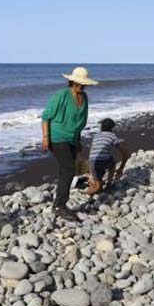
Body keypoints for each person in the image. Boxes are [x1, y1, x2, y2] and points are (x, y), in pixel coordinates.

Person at [41, 67, 98, 221]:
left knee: (67, 169)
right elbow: (46, 116)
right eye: (78, 84)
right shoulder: (61, 95)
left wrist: (78, 140)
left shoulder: (84, 97)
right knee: (68, 169)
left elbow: (79, 121)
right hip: (57, 137)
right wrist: (46, 137)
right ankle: (59, 206)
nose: (81, 86)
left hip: (73, 138)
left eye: (83, 84)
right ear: (71, 82)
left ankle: (62, 196)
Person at [86, 118, 131, 195]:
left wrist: (91, 172)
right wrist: (121, 168)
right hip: (103, 161)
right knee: (112, 163)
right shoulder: (112, 136)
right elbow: (124, 153)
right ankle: (109, 184)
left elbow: (91, 153)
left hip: (92, 162)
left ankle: (94, 187)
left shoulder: (96, 136)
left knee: (98, 184)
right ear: (112, 128)